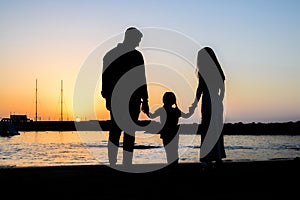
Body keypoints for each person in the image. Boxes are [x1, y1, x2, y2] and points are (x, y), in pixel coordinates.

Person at [101, 27, 149, 166]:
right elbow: (141, 79)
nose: (139, 43)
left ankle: (117, 163)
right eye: (138, 40)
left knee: (118, 132)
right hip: (125, 99)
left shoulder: (111, 54)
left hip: (125, 99)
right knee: (123, 133)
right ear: (131, 38)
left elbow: (141, 80)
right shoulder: (131, 56)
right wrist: (145, 100)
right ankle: (123, 164)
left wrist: (145, 100)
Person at [190, 46, 226, 167]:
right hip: (216, 100)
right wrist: (220, 98)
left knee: (208, 128)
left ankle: (209, 157)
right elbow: (222, 85)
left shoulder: (204, 70)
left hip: (208, 100)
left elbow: (200, 89)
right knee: (216, 128)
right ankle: (218, 156)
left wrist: (194, 104)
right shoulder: (217, 69)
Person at [148, 91, 194, 165]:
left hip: (165, 134)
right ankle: (174, 166)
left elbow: (151, 116)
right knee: (174, 151)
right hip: (174, 133)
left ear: (163, 100)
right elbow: (186, 115)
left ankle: (171, 166)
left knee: (169, 152)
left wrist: (145, 109)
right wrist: (192, 109)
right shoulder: (176, 110)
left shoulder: (161, 110)